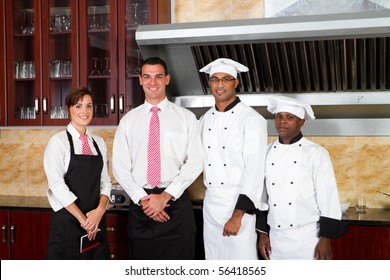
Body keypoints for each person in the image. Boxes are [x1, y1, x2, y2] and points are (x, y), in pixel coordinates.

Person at [112, 57, 203, 260]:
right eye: (147, 77)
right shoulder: (128, 121)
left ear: (167, 79)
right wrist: (143, 200)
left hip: (175, 204)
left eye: (158, 76)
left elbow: (196, 160)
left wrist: (165, 196)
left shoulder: (186, 118)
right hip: (140, 206)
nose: (153, 82)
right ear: (140, 80)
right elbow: (119, 166)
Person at [257, 95, 348, 260]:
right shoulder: (266, 151)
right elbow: (262, 196)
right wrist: (263, 234)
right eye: (279, 116)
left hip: (308, 239)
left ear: (301, 122)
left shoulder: (315, 153)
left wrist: (325, 239)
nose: (282, 121)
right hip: (276, 239)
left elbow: (328, 198)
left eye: (289, 117)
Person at [199, 58, 268, 259]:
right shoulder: (204, 120)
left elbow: (255, 171)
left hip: (238, 206)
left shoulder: (251, 119)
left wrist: (237, 216)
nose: (220, 85)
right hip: (211, 205)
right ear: (210, 83)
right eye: (215, 79)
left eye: (226, 79)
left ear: (235, 83)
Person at [44, 87, 111, 259]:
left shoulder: (99, 143)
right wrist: (83, 219)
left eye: (89, 106)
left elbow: (105, 182)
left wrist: (100, 211)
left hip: (95, 222)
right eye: (79, 106)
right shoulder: (58, 142)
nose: (85, 111)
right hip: (69, 221)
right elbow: (57, 185)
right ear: (69, 109)